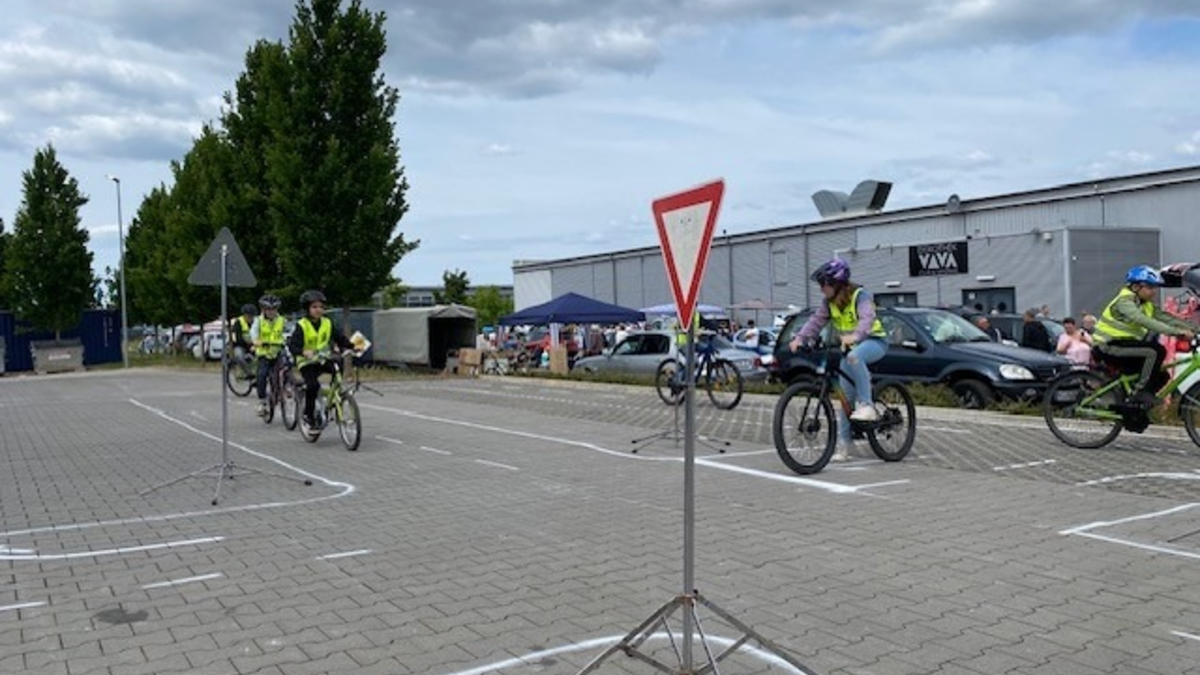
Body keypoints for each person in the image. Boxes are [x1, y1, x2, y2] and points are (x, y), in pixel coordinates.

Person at [788, 258, 887, 461]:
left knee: (853, 357)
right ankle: (844, 446)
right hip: (849, 348)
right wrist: (800, 338)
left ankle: (867, 405)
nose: (821, 289)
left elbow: (867, 318)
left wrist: (856, 336)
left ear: (836, 283)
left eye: (823, 284)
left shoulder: (861, 295)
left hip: (874, 342)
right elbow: (816, 322)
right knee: (844, 398)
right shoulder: (829, 303)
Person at [1093, 265, 1195, 407]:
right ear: (1135, 287)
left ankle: (1135, 407)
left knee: (1161, 376)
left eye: (1155, 288)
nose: (1153, 292)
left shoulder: (1146, 304)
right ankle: (1140, 392)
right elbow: (1144, 321)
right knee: (1154, 351)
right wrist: (1178, 333)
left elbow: (1167, 318)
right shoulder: (1125, 302)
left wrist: (1194, 329)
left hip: (1125, 345)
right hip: (1107, 346)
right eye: (1150, 287)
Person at [287, 290, 354, 432]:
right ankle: (309, 417)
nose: (318, 310)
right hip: (307, 363)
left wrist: (352, 346)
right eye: (314, 307)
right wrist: (303, 352)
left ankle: (335, 393)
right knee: (312, 386)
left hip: (323, 359)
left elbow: (339, 337)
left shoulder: (327, 322)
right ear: (307, 309)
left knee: (338, 365)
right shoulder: (302, 325)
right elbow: (293, 346)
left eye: (321, 307)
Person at [250, 294, 286, 417]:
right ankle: (262, 402)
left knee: (286, 368)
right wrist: (256, 341)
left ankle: (285, 389)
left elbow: (288, 332)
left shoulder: (282, 320)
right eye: (269, 309)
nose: (272, 312)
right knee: (261, 375)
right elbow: (253, 332)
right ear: (263, 310)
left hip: (278, 352)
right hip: (264, 354)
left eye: (274, 309)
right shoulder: (258, 321)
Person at [230, 303, 257, 368]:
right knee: (239, 356)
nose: (250, 317)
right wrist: (249, 346)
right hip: (241, 346)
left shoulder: (257, 322)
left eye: (252, 315)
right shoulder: (238, 322)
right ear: (244, 315)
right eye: (248, 315)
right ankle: (248, 373)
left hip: (255, 346)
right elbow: (236, 339)